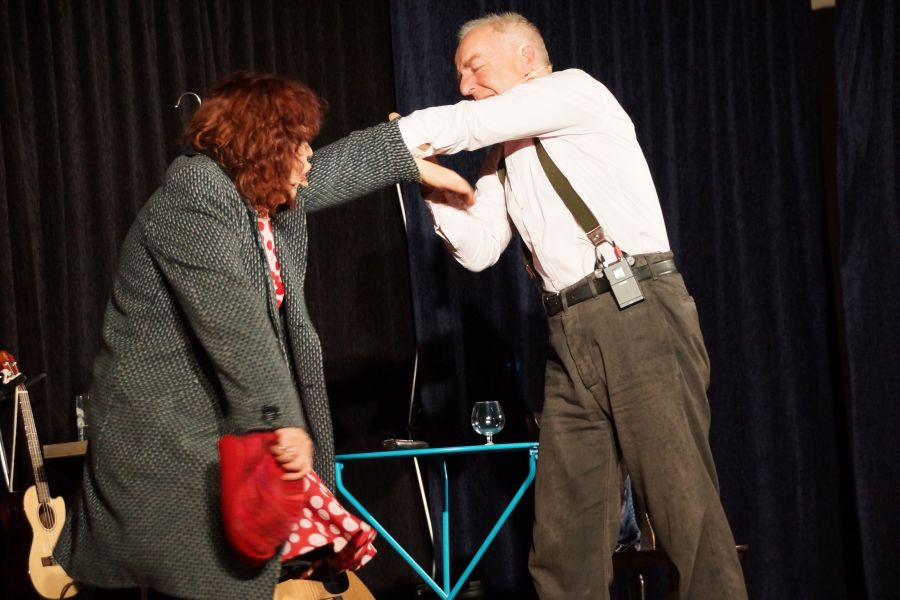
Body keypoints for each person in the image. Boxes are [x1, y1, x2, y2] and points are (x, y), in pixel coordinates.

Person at [53, 72, 472, 599]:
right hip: (162, 437)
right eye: (300, 143)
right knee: (202, 579)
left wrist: (407, 161)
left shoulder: (255, 197)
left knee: (241, 573)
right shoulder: (195, 197)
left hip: (212, 430)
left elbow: (332, 170)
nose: (310, 155)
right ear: (265, 149)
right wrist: (279, 421)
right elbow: (234, 323)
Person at [396, 12, 748, 599]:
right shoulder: (501, 155)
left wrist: (392, 142)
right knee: (565, 537)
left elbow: (468, 122)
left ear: (525, 60)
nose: (464, 85)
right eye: (459, 75)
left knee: (684, 511)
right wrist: (429, 183)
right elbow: (480, 249)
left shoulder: (573, 91)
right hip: (568, 331)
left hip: (635, 311)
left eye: (474, 68)